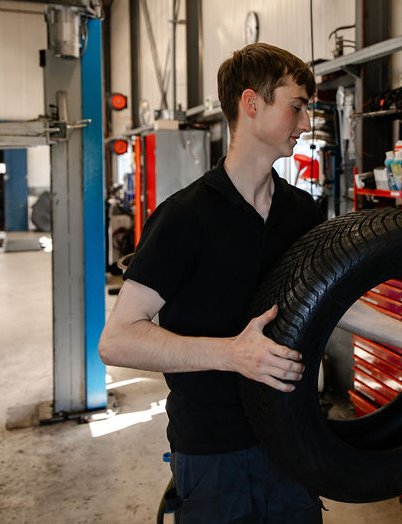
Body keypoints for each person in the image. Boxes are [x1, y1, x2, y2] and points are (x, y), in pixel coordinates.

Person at [98, 42, 324, 523]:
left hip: (293, 442)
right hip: (213, 455)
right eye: (297, 106)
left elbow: (330, 296)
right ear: (252, 103)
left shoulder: (301, 212)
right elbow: (117, 340)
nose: (305, 123)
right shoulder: (184, 218)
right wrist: (232, 355)